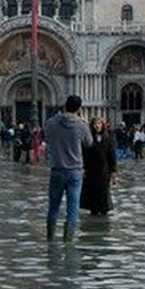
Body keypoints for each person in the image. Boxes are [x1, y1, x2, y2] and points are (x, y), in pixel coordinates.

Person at [42, 95, 93, 241]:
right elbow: (89, 143)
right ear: (79, 108)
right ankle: (68, 240)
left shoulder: (51, 122)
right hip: (75, 172)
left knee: (53, 206)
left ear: (65, 106)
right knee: (72, 208)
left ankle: (50, 238)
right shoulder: (81, 125)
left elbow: (47, 136)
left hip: (57, 170)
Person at [81, 116, 117, 216]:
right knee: (93, 197)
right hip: (91, 171)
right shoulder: (89, 139)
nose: (97, 126)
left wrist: (113, 172)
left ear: (103, 125)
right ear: (92, 126)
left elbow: (112, 156)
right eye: (95, 124)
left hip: (104, 171)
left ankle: (104, 213)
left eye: (99, 123)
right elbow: (84, 155)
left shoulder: (108, 138)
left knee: (104, 195)